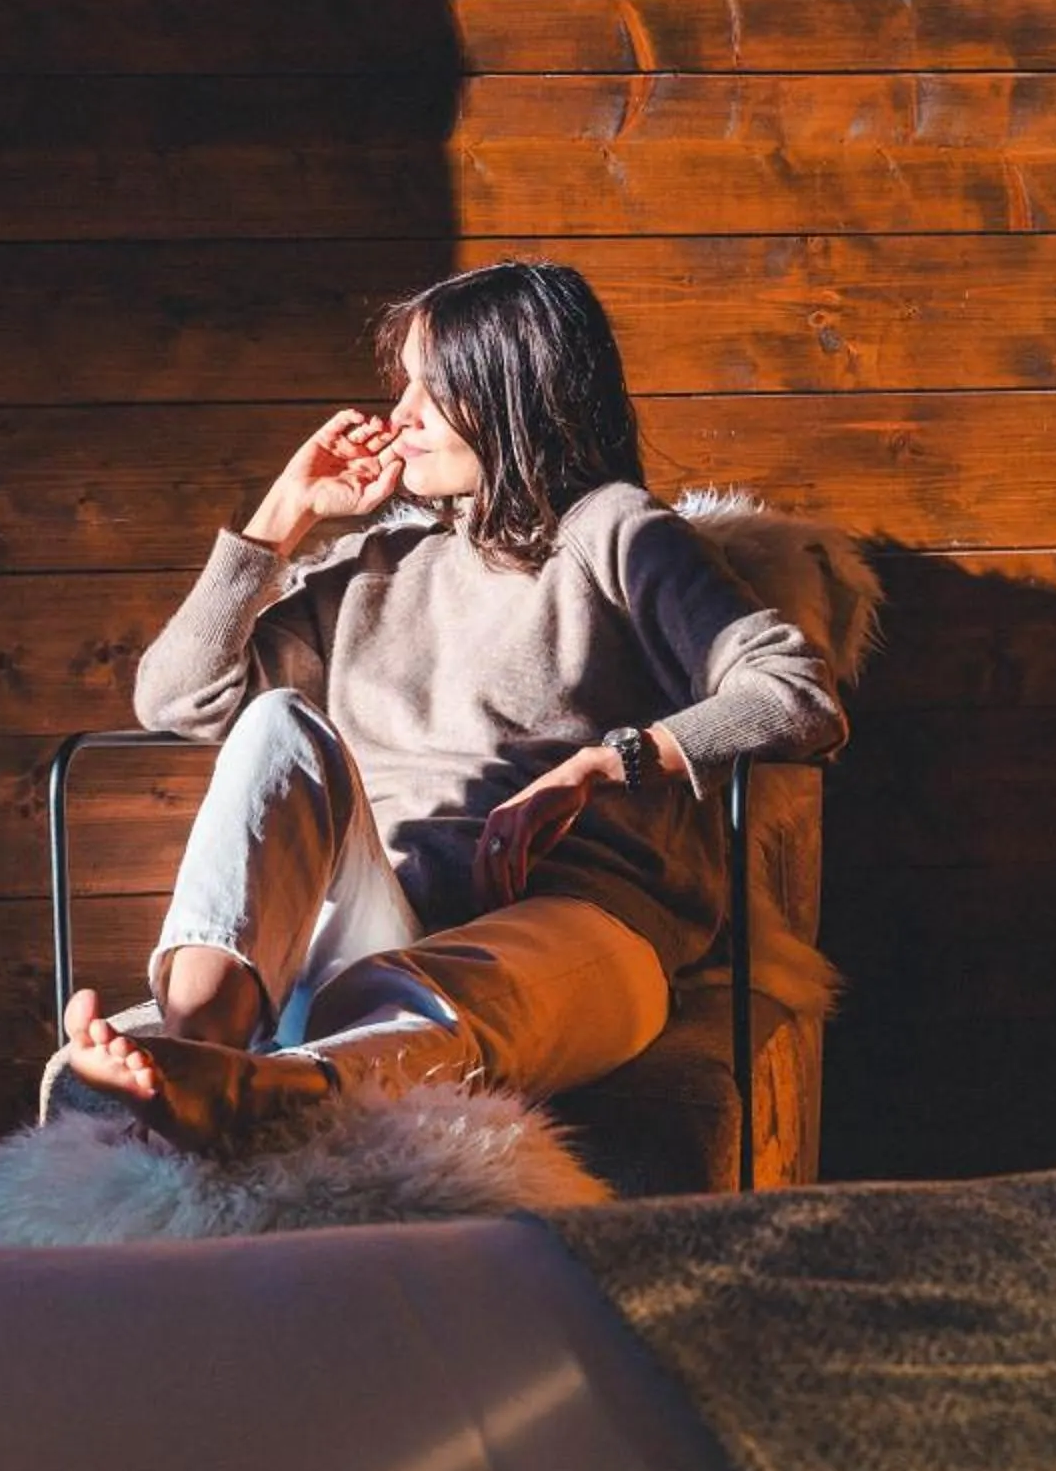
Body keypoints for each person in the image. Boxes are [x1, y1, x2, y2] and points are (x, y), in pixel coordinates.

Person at [60, 259, 847, 1154]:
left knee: (435, 990)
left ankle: (272, 1088)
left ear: (512, 392)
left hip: (575, 926)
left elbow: (793, 693)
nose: (399, 417)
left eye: (431, 388)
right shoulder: (370, 572)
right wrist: (286, 513)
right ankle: (199, 1052)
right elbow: (176, 697)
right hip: (379, 915)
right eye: (402, 387)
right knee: (275, 726)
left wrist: (606, 762)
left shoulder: (613, 533)